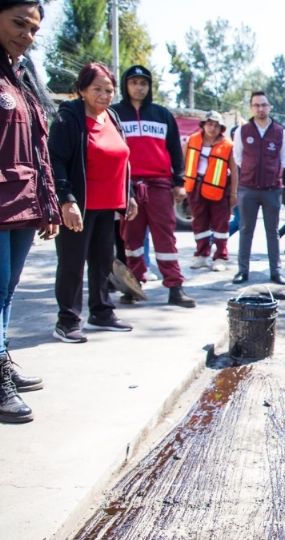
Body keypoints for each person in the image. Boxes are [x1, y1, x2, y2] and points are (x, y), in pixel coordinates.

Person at [0, 0, 60, 423]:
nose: (28, 34)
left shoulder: (21, 76)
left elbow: (39, 148)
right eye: (19, 24)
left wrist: (49, 204)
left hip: (22, 201)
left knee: (5, 291)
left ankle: (1, 357)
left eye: (34, 29)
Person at [49, 62, 138, 343]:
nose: (104, 95)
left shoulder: (112, 117)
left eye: (109, 90)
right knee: (72, 263)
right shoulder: (69, 118)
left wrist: (130, 194)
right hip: (79, 206)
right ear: (82, 90)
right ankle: (67, 320)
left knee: (102, 261)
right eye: (97, 89)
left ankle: (101, 312)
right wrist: (66, 200)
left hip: (108, 204)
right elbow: (57, 162)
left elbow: (123, 159)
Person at [112, 65, 195, 308]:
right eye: (134, 82)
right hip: (128, 188)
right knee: (131, 239)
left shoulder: (162, 114)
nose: (139, 87)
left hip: (159, 186)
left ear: (149, 87)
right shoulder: (114, 114)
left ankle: (175, 287)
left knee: (165, 239)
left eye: (143, 83)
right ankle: (133, 286)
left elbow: (175, 152)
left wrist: (179, 182)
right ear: (126, 85)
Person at [231, 91, 285, 285]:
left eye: (263, 105)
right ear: (251, 108)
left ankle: (276, 271)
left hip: (272, 189)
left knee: (273, 232)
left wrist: (273, 176)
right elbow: (238, 157)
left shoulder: (279, 131)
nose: (260, 109)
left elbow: (284, 159)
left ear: (269, 107)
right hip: (248, 188)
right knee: (246, 229)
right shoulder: (243, 131)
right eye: (256, 105)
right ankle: (242, 271)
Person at [184, 110, 236, 272]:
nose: (212, 128)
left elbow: (234, 172)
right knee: (199, 222)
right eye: (209, 124)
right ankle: (201, 255)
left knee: (220, 223)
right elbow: (182, 160)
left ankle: (220, 257)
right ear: (203, 125)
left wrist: (234, 193)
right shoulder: (192, 140)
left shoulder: (228, 145)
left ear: (221, 128)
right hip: (195, 187)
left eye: (216, 125)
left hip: (219, 189)